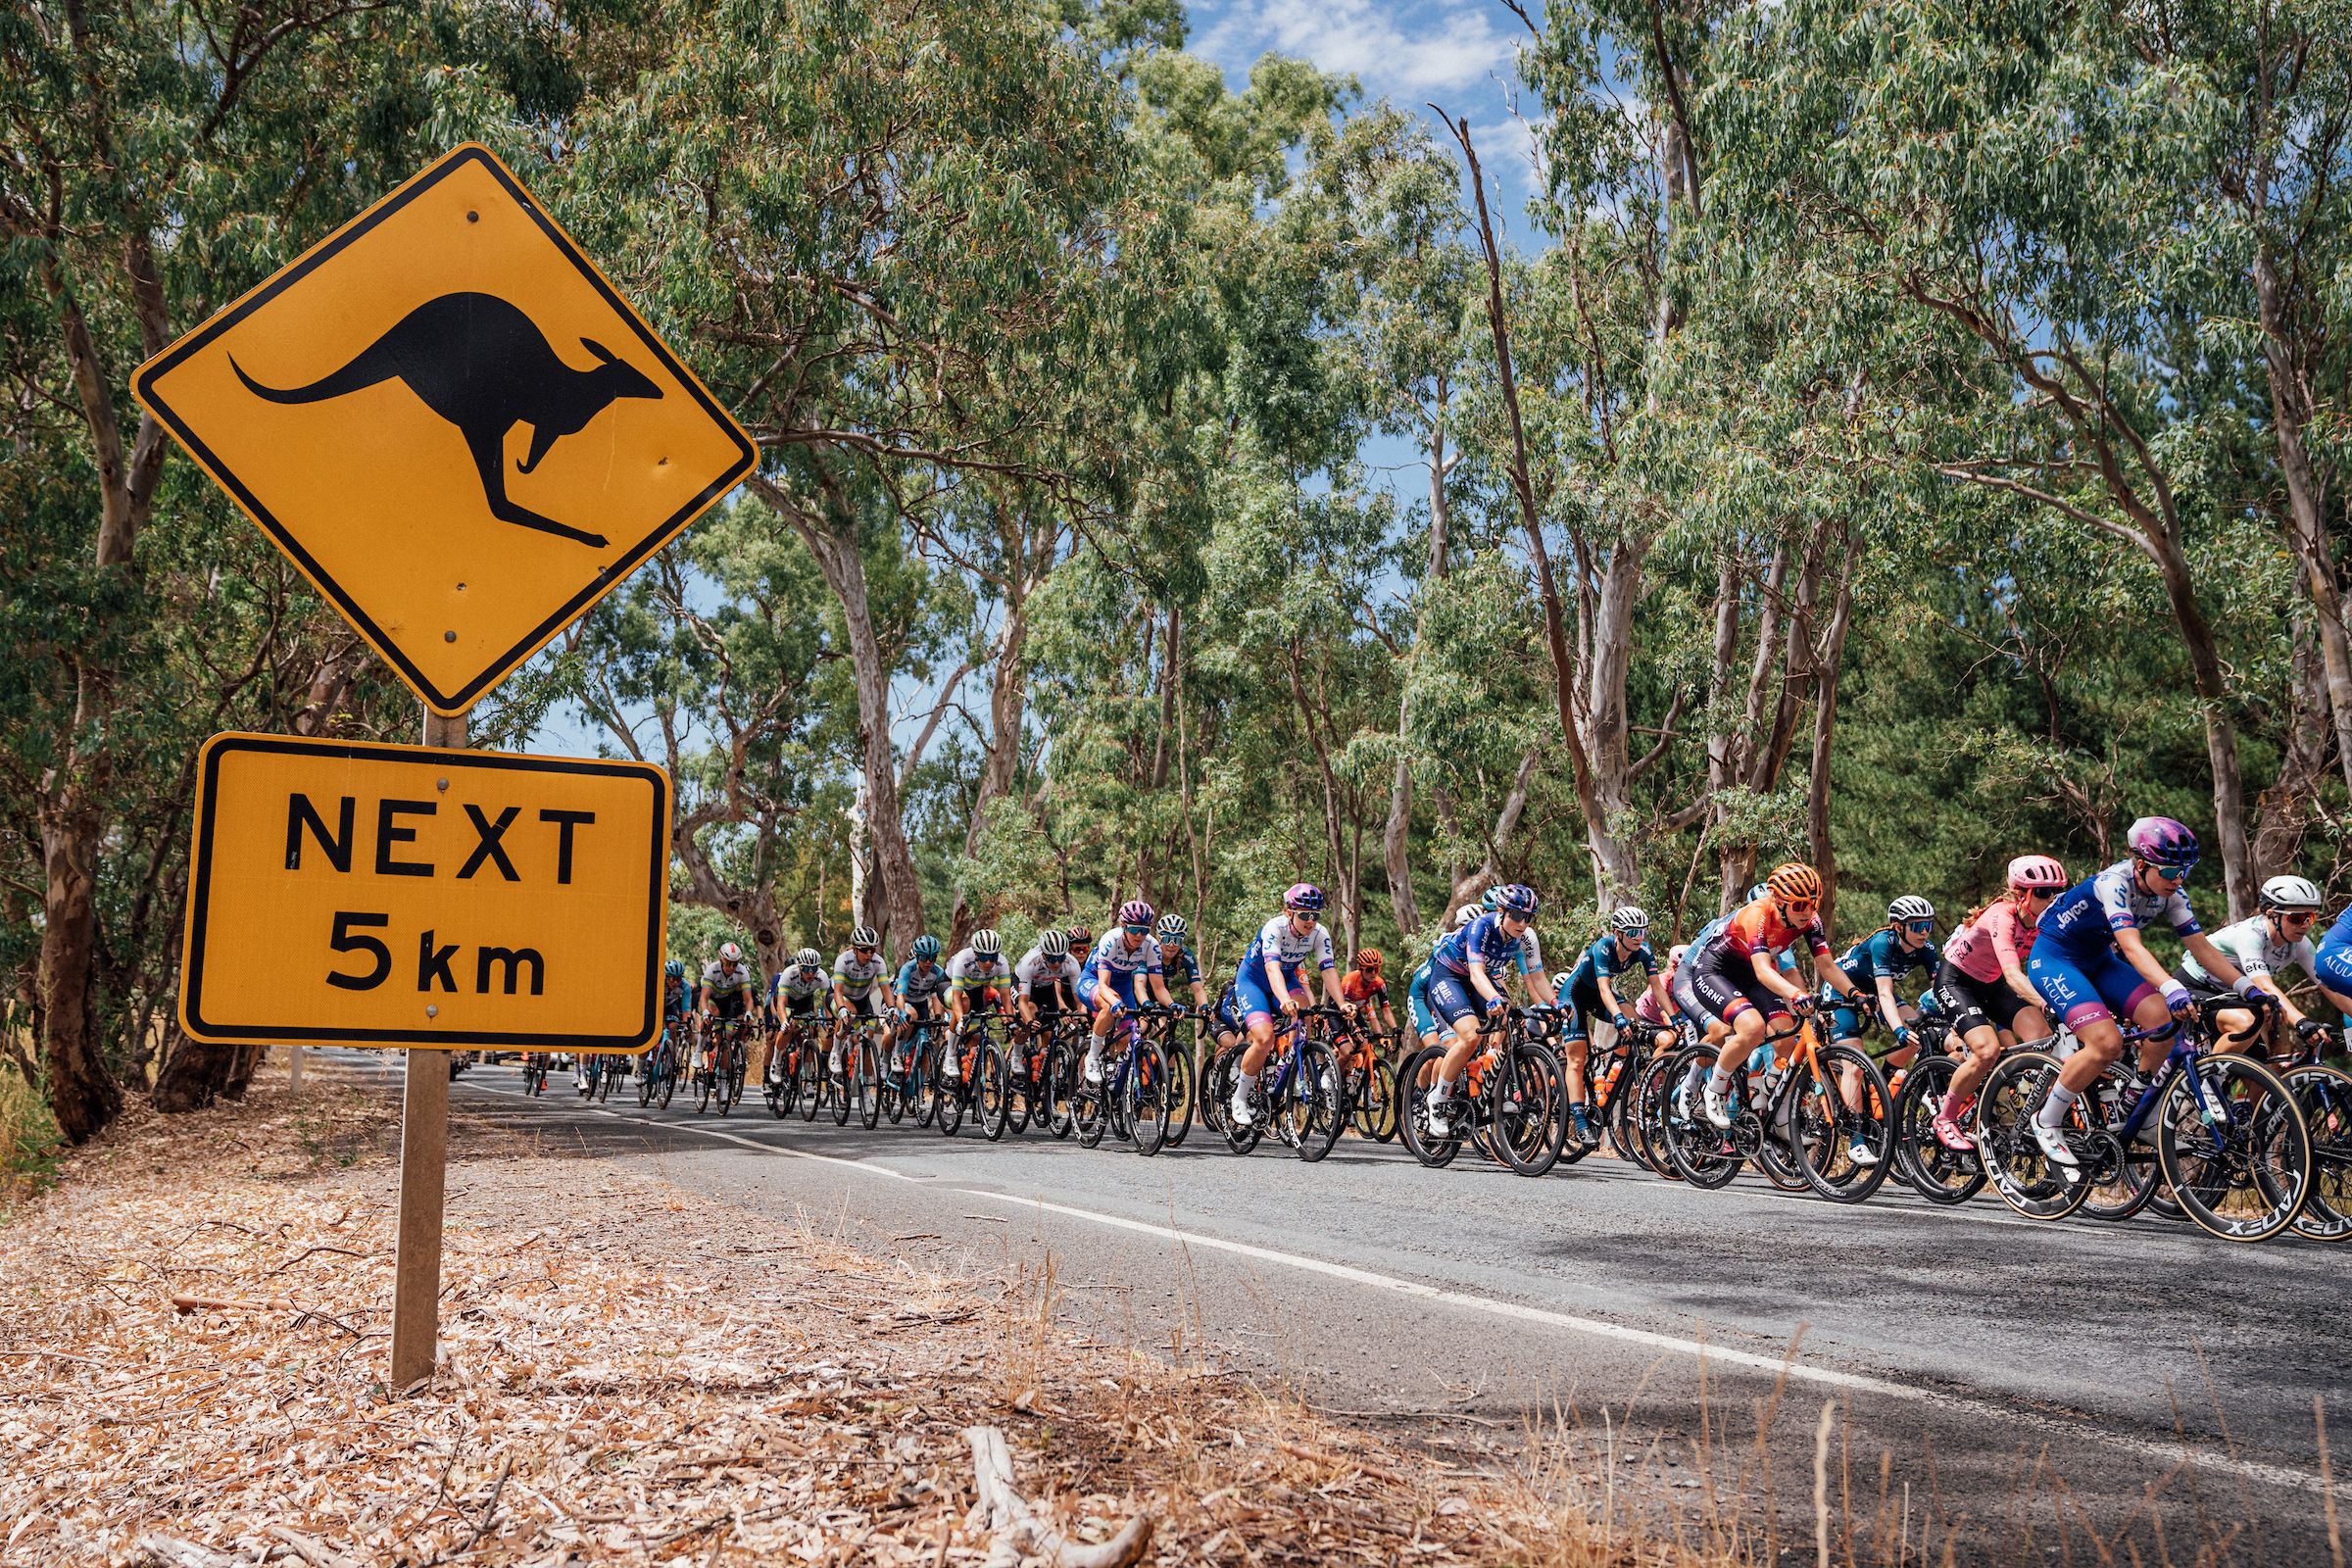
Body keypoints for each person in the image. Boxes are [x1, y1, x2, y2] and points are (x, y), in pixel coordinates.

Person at [2024, 818, 2265, 1169]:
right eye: (2169, 871)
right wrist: (2171, 986)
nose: (2177, 880)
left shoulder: (2172, 894)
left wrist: (2248, 988)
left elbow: (2203, 949)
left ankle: (2139, 1109)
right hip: (2056, 959)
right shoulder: (2113, 884)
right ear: (2141, 864)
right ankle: (2047, 1119)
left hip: (2099, 961)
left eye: (2185, 871)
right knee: (2106, 1044)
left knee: (2162, 1020)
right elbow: (2132, 948)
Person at [1686, 864, 1866, 1135]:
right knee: (1753, 1028)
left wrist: (1855, 993)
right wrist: (1795, 994)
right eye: (1800, 904)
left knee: (1786, 1042)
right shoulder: (1758, 914)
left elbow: (1826, 965)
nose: (1808, 911)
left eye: (1813, 903)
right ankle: (1715, 1089)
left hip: (1752, 975)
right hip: (1716, 971)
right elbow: (1762, 970)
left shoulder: (1810, 920)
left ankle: (1778, 1115)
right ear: (1779, 902)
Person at [1930, 857, 2064, 1151]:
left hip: (1992, 985)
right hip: (1957, 982)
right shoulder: (2002, 916)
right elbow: (2013, 973)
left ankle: (2021, 1108)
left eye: (2056, 891)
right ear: (2021, 895)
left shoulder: (2045, 922)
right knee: (1987, 1049)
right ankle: (1945, 1118)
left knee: (2044, 1039)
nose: (2051, 898)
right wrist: (2046, 1004)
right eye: (2043, 893)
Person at [1823, 895, 1942, 1165]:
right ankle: (1856, 1138)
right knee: (1854, 1062)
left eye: (1928, 925)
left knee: (1919, 1034)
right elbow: (1886, 993)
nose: (1924, 931)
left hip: (1872, 992)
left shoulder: (1927, 948)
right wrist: (1897, 1029)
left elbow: (1941, 988)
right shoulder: (1882, 943)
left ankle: (1883, 1081)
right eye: (1917, 925)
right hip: (1842, 992)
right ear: (1898, 927)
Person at [1421, 884, 1543, 1137]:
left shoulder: (1526, 937)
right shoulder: (1481, 927)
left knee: (1512, 1019)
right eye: (1517, 916)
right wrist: (1493, 998)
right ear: (1502, 911)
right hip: (1449, 977)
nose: (1523, 923)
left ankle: (1496, 1090)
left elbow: (1538, 977)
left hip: (1481, 979)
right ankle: (1438, 1101)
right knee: (1470, 1036)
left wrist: (1554, 1004)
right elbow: (1476, 974)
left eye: (1528, 917)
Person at [2178, 875, 2347, 1057]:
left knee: (2262, 1067)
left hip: (2233, 995)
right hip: (2196, 987)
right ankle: (2208, 1084)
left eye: (2310, 917)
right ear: (2272, 914)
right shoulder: (2250, 934)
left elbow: (2330, 987)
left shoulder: (2301, 944)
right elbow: (2264, 986)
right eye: (2297, 918)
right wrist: (2300, 1021)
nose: (2305, 925)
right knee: (2247, 1024)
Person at [1227, 884, 1350, 1129]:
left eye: (1315, 915)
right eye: (1304, 914)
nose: (1310, 920)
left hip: (1286, 977)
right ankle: (1239, 1097)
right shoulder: (1274, 928)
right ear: (1288, 912)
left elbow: (1328, 969)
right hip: (1254, 980)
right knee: (1264, 1038)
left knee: (1305, 1016)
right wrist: (1284, 999)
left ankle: (1289, 1066)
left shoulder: (1319, 933)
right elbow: (1272, 968)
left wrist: (1342, 1003)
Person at [1560, 906, 1669, 1149]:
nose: (1639, 937)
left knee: (1635, 1022)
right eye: (1632, 932)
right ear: (1617, 933)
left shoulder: (1644, 951)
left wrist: (1673, 1017)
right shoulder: (1603, 947)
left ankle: (1611, 1077)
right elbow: (1604, 988)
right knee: (1577, 1059)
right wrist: (1617, 1018)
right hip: (1576, 995)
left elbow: (1657, 988)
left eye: (1642, 931)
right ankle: (1579, 1122)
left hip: (1600, 996)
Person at [1079, 901, 1177, 1085]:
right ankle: (1092, 1057)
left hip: (1123, 984)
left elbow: (1159, 987)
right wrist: (1114, 1002)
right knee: (1109, 1005)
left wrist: (1171, 1004)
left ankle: (1114, 1076)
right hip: (1093, 980)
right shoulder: (1111, 940)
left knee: (1127, 1037)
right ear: (1123, 927)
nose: (1139, 935)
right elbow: (1103, 985)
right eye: (1134, 930)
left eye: (1145, 930)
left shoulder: (1151, 946)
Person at [943, 928, 1012, 1081]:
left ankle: (971, 1081)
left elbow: (1006, 995)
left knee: (976, 1036)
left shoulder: (1002, 963)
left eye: (992, 957)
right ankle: (950, 1054)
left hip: (975, 990)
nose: (988, 962)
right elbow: (956, 997)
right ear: (975, 954)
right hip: (949, 985)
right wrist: (960, 1019)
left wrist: (1011, 1020)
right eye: (983, 957)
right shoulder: (963, 959)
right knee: (963, 1003)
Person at [828, 927, 895, 1075]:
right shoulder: (844, 960)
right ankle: (836, 1052)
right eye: (865, 950)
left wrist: (892, 1008)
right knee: (849, 1013)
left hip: (862, 1000)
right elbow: (838, 991)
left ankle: (863, 1086)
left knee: (867, 1038)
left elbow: (886, 989)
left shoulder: (878, 962)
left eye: (872, 949)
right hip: (839, 997)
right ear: (855, 949)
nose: (869, 954)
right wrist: (841, 1009)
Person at [768, 947, 828, 1087]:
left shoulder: (822, 976)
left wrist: (828, 1020)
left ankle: (808, 1076)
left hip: (805, 1002)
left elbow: (827, 1003)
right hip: (787, 1000)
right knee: (790, 1026)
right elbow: (781, 1004)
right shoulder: (789, 974)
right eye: (807, 969)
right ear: (800, 967)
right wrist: (783, 1022)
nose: (811, 973)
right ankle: (776, 1063)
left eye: (814, 969)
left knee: (811, 1031)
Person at [700, 940, 757, 1082]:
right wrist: (705, 1011)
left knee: (726, 1041)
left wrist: (749, 1012)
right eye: (728, 963)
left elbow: (748, 999)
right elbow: (704, 997)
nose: (731, 967)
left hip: (726, 1002)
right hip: (712, 999)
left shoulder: (742, 972)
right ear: (721, 960)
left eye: (735, 964)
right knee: (713, 1014)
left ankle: (724, 1080)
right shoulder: (712, 969)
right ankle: (698, 1050)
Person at [895, 935, 951, 1075]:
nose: (928, 962)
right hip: (905, 1001)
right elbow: (900, 995)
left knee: (925, 1042)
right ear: (917, 956)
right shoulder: (908, 969)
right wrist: (901, 1012)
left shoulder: (937, 972)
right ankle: (897, 1054)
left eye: (932, 958)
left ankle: (921, 1086)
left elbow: (939, 996)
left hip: (921, 1003)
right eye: (924, 958)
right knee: (910, 1015)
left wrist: (940, 1016)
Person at [1157, 912, 1209, 1011]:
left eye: (1176, 940)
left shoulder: (1186, 955)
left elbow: (1197, 988)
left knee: (1166, 1024)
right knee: (1143, 1025)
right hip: (1141, 988)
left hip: (1163, 990)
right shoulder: (1152, 952)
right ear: (1160, 939)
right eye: (1167, 939)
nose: (1172, 945)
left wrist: (1205, 1007)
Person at [1341, 950, 1397, 1037]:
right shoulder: (1350, 980)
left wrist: (1395, 1029)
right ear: (1361, 969)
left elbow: (1386, 1010)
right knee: (1346, 1046)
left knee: (1366, 1039)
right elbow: (1345, 1004)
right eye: (1369, 969)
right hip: (1340, 1010)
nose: (1373, 973)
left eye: (1376, 969)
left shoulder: (1379, 983)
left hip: (1355, 1011)